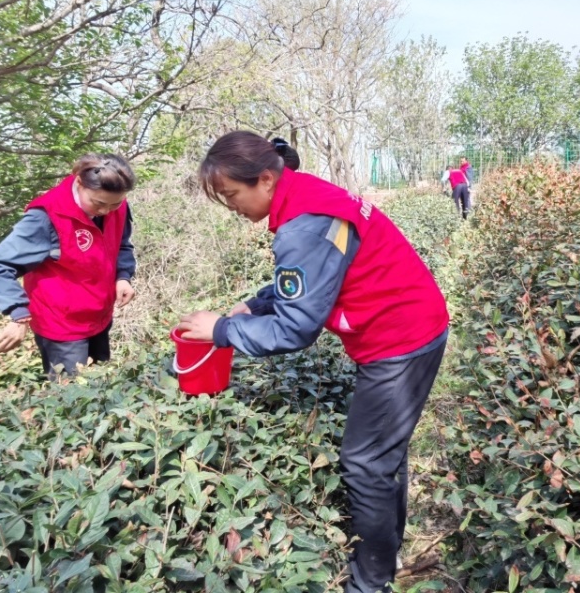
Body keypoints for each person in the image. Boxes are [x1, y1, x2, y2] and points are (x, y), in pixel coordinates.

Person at [178, 131, 449, 593]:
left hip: (400, 339)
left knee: (365, 463)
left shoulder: (304, 222)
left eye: (231, 196)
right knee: (382, 457)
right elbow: (316, 276)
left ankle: (370, 583)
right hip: (409, 323)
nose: (232, 208)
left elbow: (294, 329)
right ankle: (389, 555)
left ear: (265, 179)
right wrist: (257, 304)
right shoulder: (307, 195)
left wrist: (221, 330)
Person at [0, 153, 137, 377]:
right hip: (61, 326)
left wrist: (123, 276)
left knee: (101, 383)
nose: (105, 211)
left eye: (115, 204)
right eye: (98, 203)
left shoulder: (115, 205)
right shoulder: (46, 217)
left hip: (99, 315)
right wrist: (18, 314)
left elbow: (121, 244)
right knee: (73, 398)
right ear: (79, 182)